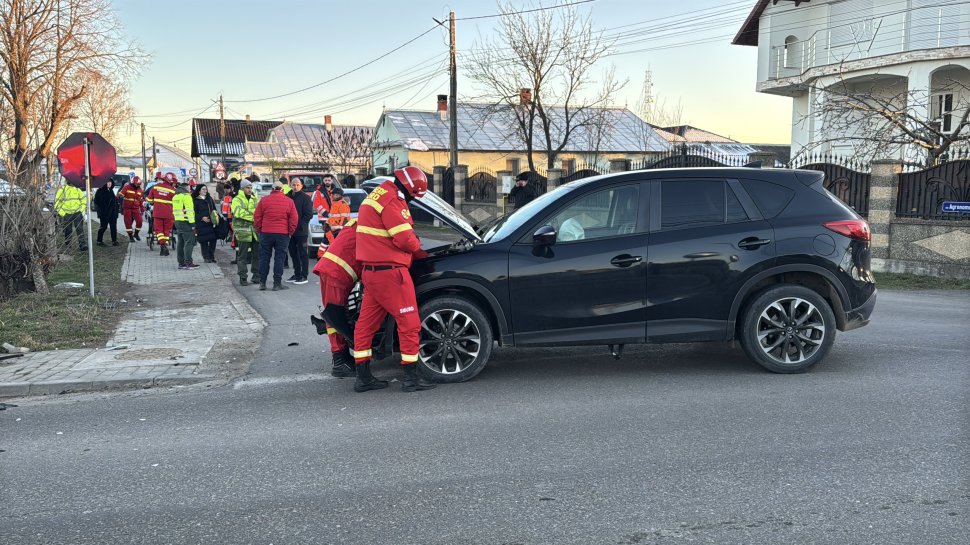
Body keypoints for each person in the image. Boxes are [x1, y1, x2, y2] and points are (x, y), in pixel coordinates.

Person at [352, 166, 434, 393]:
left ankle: (363, 377)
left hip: (371, 272)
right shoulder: (392, 201)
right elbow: (405, 240)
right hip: (391, 273)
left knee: (365, 325)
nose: (411, 200)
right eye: (413, 196)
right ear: (409, 189)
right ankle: (411, 379)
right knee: (409, 324)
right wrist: (421, 250)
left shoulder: (377, 195)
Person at [310, 220, 362, 378]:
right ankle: (339, 362)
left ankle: (343, 356)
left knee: (335, 314)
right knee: (335, 317)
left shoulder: (359, 221)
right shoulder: (369, 225)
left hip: (333, 270)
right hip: (336, 273)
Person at [253, 180, 297, 291]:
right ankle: (277, 284)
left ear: (272, 189)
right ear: (282, 190)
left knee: (264, 258)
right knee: (279, 258)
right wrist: (290, 232)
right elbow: (294, 219)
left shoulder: (264, 200)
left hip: (266, 233)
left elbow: (257, 217)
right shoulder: (289, 201)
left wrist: (259, 230)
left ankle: (262, 283)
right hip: (282, 234)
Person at [232, 181, 260, 285]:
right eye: (247, 187)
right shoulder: (237, 199)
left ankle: (256, 276)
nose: (249, 189)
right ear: (242, 188)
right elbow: (239, 213)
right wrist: (254, 217)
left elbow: (260, 211)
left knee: (256, 255)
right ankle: (243, 277)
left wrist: (254, 215)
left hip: (255, 232)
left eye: (250, 187)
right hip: (243, 232)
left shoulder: (255, 199)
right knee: (242, 256)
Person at [287, 177, 314, 285]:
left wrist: (301, 225)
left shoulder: (305, 198)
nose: (295, 186)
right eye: (293, 184)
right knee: (293, 253)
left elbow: (308, 214)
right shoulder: (287, 197)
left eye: (298, 184)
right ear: (290, 185)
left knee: (303, 253)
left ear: (301, 186)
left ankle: (304, 275)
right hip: (289, 230)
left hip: (301, 231)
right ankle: (297, 274)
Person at [146, 172, 177, 256]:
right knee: (167, 231)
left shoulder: (155, 187)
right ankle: (164, 245)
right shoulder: (173, 190)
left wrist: (154, 202)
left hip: (157, 213)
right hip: (169, 214)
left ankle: (162, 245)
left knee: (158, 230)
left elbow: (149, 200)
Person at [172, 179, 199, 269]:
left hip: (178, 221)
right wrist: (193, 224)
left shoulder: (176, 196)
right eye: (189, 188)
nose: (190, 189)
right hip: (186, 222)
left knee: (181, 242)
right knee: (189, 242)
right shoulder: (186, 196)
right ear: (186, 188)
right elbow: (189, 211)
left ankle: (181, 262)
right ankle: (188, 262)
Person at [54, 182, 88, 251]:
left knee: (80, 229)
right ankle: (68, 243)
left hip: (77, 213)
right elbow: (57, 203)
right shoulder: (62, 190)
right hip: (67, 214)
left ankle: (82, 245)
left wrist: (81, 210)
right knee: (68, 230)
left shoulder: (77, 189)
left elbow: (83, 200)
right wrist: (63, 213)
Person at [193, 184, 219, 263]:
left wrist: (215, 213)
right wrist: (201, 217)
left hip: (211, 222)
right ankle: (206, 257)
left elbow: (213, 208)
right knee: (204, 240)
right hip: (201, 223)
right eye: (203, 189)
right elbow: (193, 212)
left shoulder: (209, 198)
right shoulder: (195, 200)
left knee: (213, 240)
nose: (205, 191)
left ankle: (211, 255)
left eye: (205, 189)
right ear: (199, 191)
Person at [117, 176, 145, 241]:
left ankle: (136, 234)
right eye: (136, 184)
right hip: (127, 208)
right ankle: (130, 236)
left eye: (138, 184)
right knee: (128, 223)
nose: (136, 185)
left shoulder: (140, 190)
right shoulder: (127, 187)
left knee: (140, 221)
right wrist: (120, 197)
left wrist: (142, 208)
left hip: (135, 208)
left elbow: (141, 200)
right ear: (133, 182)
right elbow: (119, 195)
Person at [94, 179, 120, 246]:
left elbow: (114, 202)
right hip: (104, 214)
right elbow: (97, 202)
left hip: (113, 214)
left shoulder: (111, 191)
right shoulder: (100, 191)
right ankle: (99, 241)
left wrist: (116, 211)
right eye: (107, 182)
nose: (109, 183)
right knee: (103, 227)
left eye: (110, 182)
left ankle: (114, 241)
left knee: (113, 227)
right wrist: (100, 213)